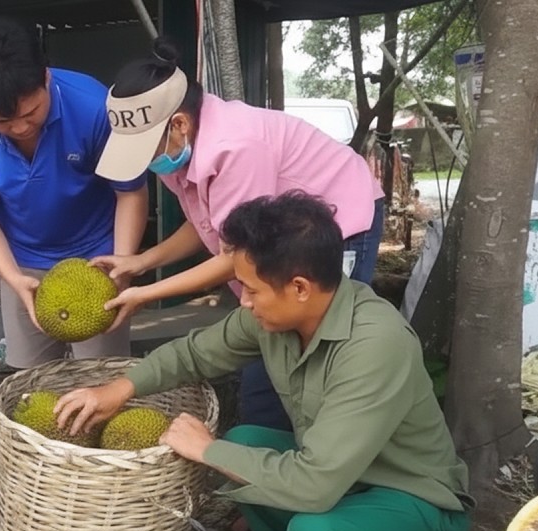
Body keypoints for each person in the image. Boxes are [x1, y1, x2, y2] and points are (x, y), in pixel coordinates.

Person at [54, 192, 473, 531]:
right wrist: (121, 389)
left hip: (418, 506)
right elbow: (196, 352)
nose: (245, 303)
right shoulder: (273, 319)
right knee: (247, 443)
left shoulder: (375, 344)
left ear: (298, 287)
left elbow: (314, 485)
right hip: (347, 481)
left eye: (251, 290)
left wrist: (207, 451)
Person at [90, 37, 387, 433]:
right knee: (268, 337)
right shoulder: (180, 150)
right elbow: (209, 226)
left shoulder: (236, 147)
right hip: (275, 238)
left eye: (145, 148)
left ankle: (320, 448)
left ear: (179, 123)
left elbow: (236, 255)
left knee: (317, 344)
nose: (145, 161)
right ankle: (268, 443)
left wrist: (145, 292)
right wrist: (141, 262)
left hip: (340, 222)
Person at [0, 16, 149, 369]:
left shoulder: (93, 107)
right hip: (22, 262)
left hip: (98, 259)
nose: (21, 127)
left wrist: (123, 266)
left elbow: (130, 192)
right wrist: (12, 278)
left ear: (46, 76)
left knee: (103, 377)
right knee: (31, 381)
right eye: (2, 122)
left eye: (31, 112)